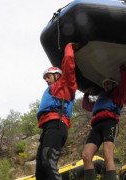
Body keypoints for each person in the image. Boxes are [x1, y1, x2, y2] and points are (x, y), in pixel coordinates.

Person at [35, 43, 78, 180]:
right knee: (40, 172)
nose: (46, 80)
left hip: (57, 125)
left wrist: (69, 46)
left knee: (48, 162)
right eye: (45, 78)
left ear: (57, 76)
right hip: (47, 128)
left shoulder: (65, 84)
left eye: (48, 76)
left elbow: (68, 64)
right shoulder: (52, 89)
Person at [82, 65, 126, 180]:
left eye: (108, 83)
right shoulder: (101, 98)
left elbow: (125, 81)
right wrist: (86, 94)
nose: (105, 85)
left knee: (107, 155)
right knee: (86, 156)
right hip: (96, 126)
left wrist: (122, 67)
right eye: (104, 84)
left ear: (114, 85)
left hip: (110, 123)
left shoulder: (118, 95)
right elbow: (87, 106)